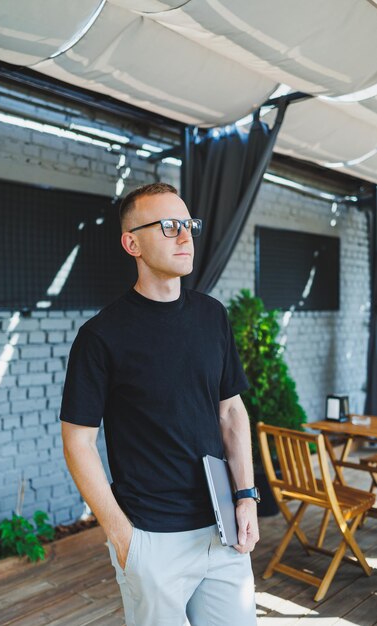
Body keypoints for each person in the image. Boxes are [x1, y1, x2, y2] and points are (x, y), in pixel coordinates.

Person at [60, 182, 259, 626]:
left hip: (222, 530)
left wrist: (246, 496)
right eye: (169, 226)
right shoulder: (101, 336)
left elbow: (231, 412)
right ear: (132, 242)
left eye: (188, 225)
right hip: (151, 538)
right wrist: (121, 536)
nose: (185, 236)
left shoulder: (213, 316)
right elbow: (78, 442)